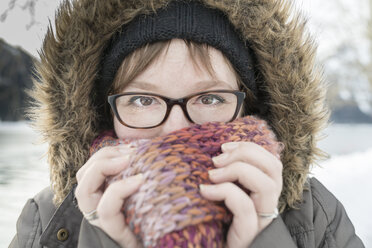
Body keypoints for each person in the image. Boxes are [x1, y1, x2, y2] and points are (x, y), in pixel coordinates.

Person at [10, 0, 365, 247]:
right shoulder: (48, 221)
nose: (176, 130)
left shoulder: (315, 218)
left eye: (209, 98)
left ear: (250, 108)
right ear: (104, 113)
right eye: (143, 100)